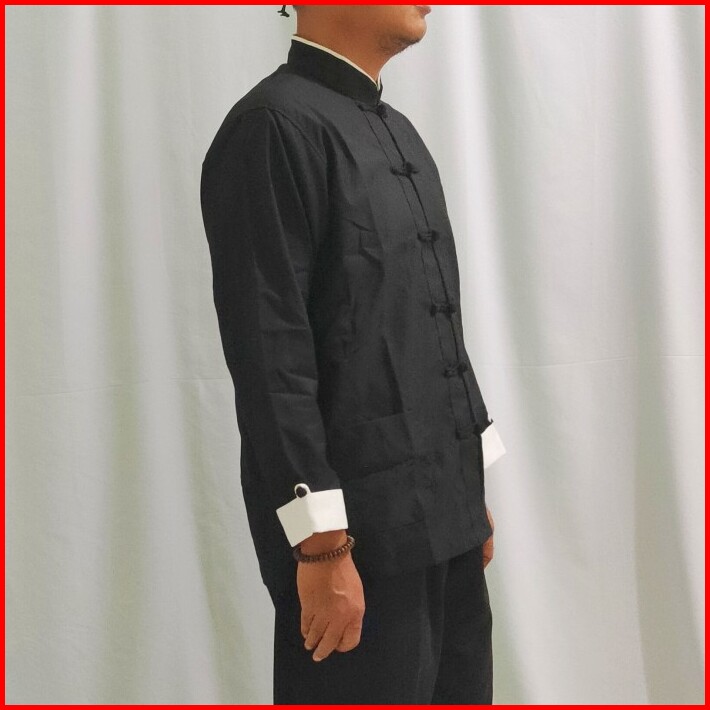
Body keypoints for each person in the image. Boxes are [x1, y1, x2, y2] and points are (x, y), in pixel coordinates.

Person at [200, 4, 507, 703]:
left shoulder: (400, 132)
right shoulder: (270, 128)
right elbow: (270, 356)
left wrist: (468, 492)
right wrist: (322, 548)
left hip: (446, 523)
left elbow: (429, 325)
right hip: (360, 545)